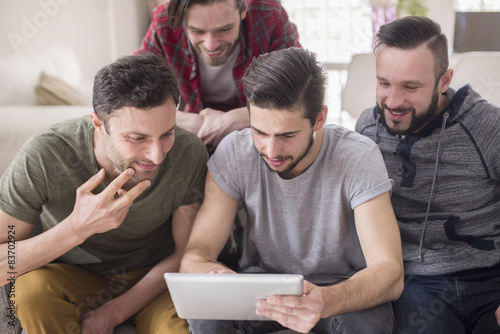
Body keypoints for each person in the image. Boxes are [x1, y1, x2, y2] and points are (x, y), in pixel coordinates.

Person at [180, 47, 404, 334]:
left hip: (339, 287)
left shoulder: (358, 157)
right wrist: (218, 277)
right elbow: (195, 254)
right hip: (262, 287)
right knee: (205, 316)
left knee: (368, 324)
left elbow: (390, 272)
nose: (271, 151)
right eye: (259, 132)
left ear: (319, 119)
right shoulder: (234, 153)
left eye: (287, 135)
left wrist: (325, 300)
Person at [0, 53, 209, 333]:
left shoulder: (188, 152)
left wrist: (112, 313)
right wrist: (77, 228)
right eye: (137, 138)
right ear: (99, 124)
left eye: (166, 134)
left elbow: (185, 253)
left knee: (178, 327)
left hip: (154, 278)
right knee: (31, 294)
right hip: (75, 276)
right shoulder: (45, 154)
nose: (157, 155)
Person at [355, 16, 500, 334]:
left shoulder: (488, 126)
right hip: (417, 286)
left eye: (410, 87)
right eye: (384, 83)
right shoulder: (366, 129)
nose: (393, 102)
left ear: (444, 80)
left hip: (492, 278)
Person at [135, 0, 300, 152]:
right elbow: (133, 94)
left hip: (262, 127)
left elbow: (299, 90)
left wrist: (235, 119)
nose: (211, 45)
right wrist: (187, 121)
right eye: (197, 31)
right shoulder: (164, 22)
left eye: (224, 29)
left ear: (243, 9)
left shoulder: (270, 15)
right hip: (198, 126)